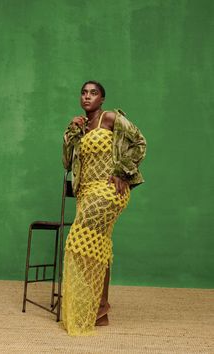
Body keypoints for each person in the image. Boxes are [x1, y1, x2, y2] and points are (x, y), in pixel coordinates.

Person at [62, 80, 146, 336]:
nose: (87, 97)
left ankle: (94, 306)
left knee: (79, 240)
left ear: (102, 100)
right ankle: (100, 310)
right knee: (97, 244)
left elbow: (139, 142)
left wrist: (123, 172)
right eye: (84, 93)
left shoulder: (110, 118)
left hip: (109, 191)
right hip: (85, 194)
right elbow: (67, 163)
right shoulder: (80, 128)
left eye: (93, 93)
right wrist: (70, 134)